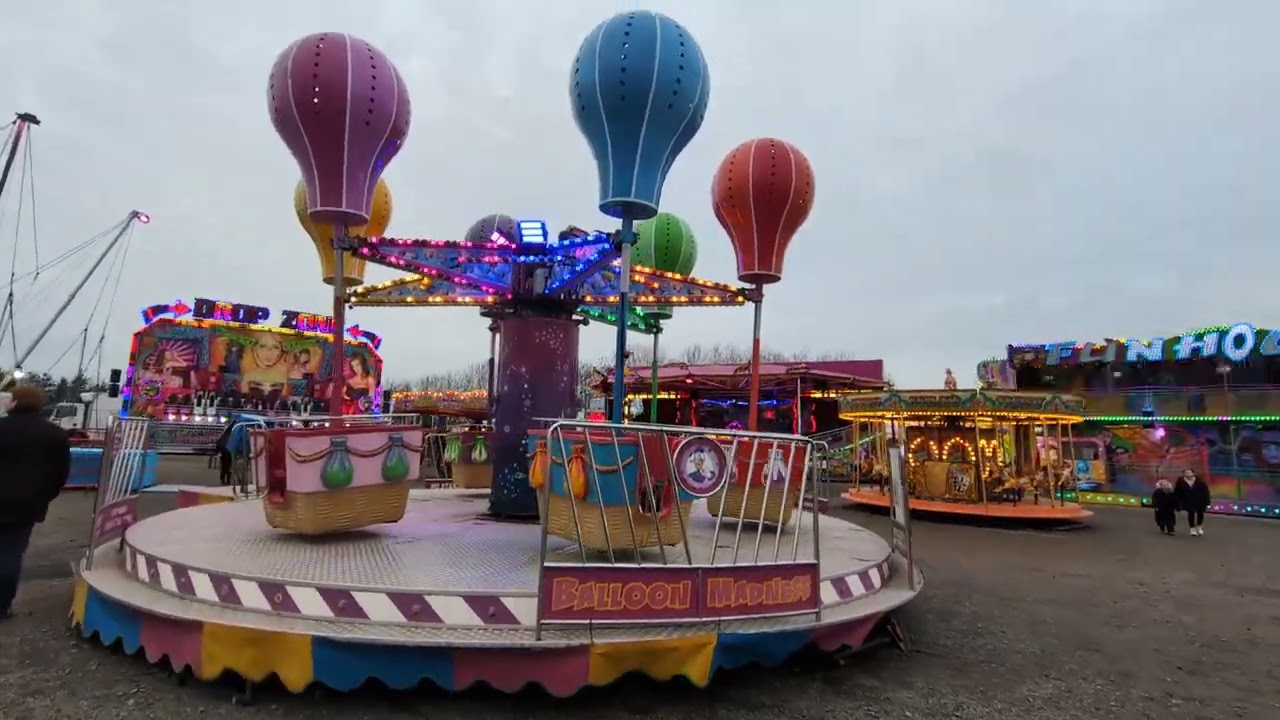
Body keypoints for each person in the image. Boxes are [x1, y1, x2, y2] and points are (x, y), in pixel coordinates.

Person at [0, 384, 72, 619]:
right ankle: (2, 605)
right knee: (11, 554)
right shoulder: (54, 434)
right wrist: (45, 495)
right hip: (26, 505)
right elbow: (62, 472)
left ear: (14, 403)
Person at [1173, 468, 1211, 536]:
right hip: (1188, 500)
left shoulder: (1199, 481)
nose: (1187, 474)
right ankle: (1192, 529)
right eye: (1186, 473)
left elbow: (1205, 491)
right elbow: (1177, 492)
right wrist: (1177, 502)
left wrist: (1207, 501)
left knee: (1200, 513)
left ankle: (1199, 526)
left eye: (1189, 472)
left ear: (1193, 473)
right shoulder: (1181, 481)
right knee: (1191, 513)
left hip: (1199, 500)